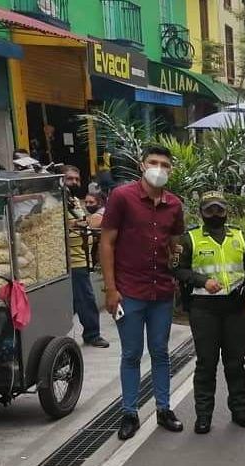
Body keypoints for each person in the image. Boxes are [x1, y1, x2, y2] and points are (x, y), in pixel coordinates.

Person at [99, 145, 185, 440]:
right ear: (141, 165)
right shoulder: (122, 198)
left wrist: (181, 271)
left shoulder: (174, 204)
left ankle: (164, 408)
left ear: (171, 170)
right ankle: (129, 412)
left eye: (164, 164)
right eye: (154, 162)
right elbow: (107, 243)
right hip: (129, 291)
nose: (159, 168)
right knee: (132, 353)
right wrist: (111, 289)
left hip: (161, 291)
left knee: (160, 352)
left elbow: (175, 245)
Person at [173, 192, 245, 434]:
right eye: (210, 210)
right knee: (206, 364)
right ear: (202, 212)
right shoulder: (190, 239)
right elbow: (178, 270)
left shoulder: (239, 236)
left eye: (219, 210)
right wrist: (201, 280)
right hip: (204, 310)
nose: (215, 215)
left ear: (226, 211)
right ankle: (203, 416)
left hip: (234, 308)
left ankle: (239, 410)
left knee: (235, 363)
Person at [62, 166, 109, 348]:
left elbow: (84, 223)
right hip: (72, 260)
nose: (74, 182)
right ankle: (92, 334)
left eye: (76, 179)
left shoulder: (73, 201)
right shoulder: (55, 203)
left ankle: (88, 333)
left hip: (82, 257)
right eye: (70, 179)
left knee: (80, 299)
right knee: (86, 298)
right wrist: (81, 223)